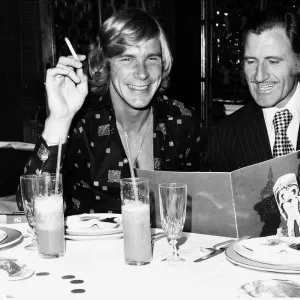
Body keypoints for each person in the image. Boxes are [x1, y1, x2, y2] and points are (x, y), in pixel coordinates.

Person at [19, 8, 206, 215]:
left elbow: (205, 207)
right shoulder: (81, 122)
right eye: (127, 59)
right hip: (89, 247)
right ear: (105, 64)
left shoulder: (182, 121)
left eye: (152, 59)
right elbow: (31, 208)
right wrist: (59, 120)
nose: (142, 73)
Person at [205, 9, 300, 172]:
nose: (259, 76)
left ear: (298, 62)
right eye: (251, 61)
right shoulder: (224, 135)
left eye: (273, 61)